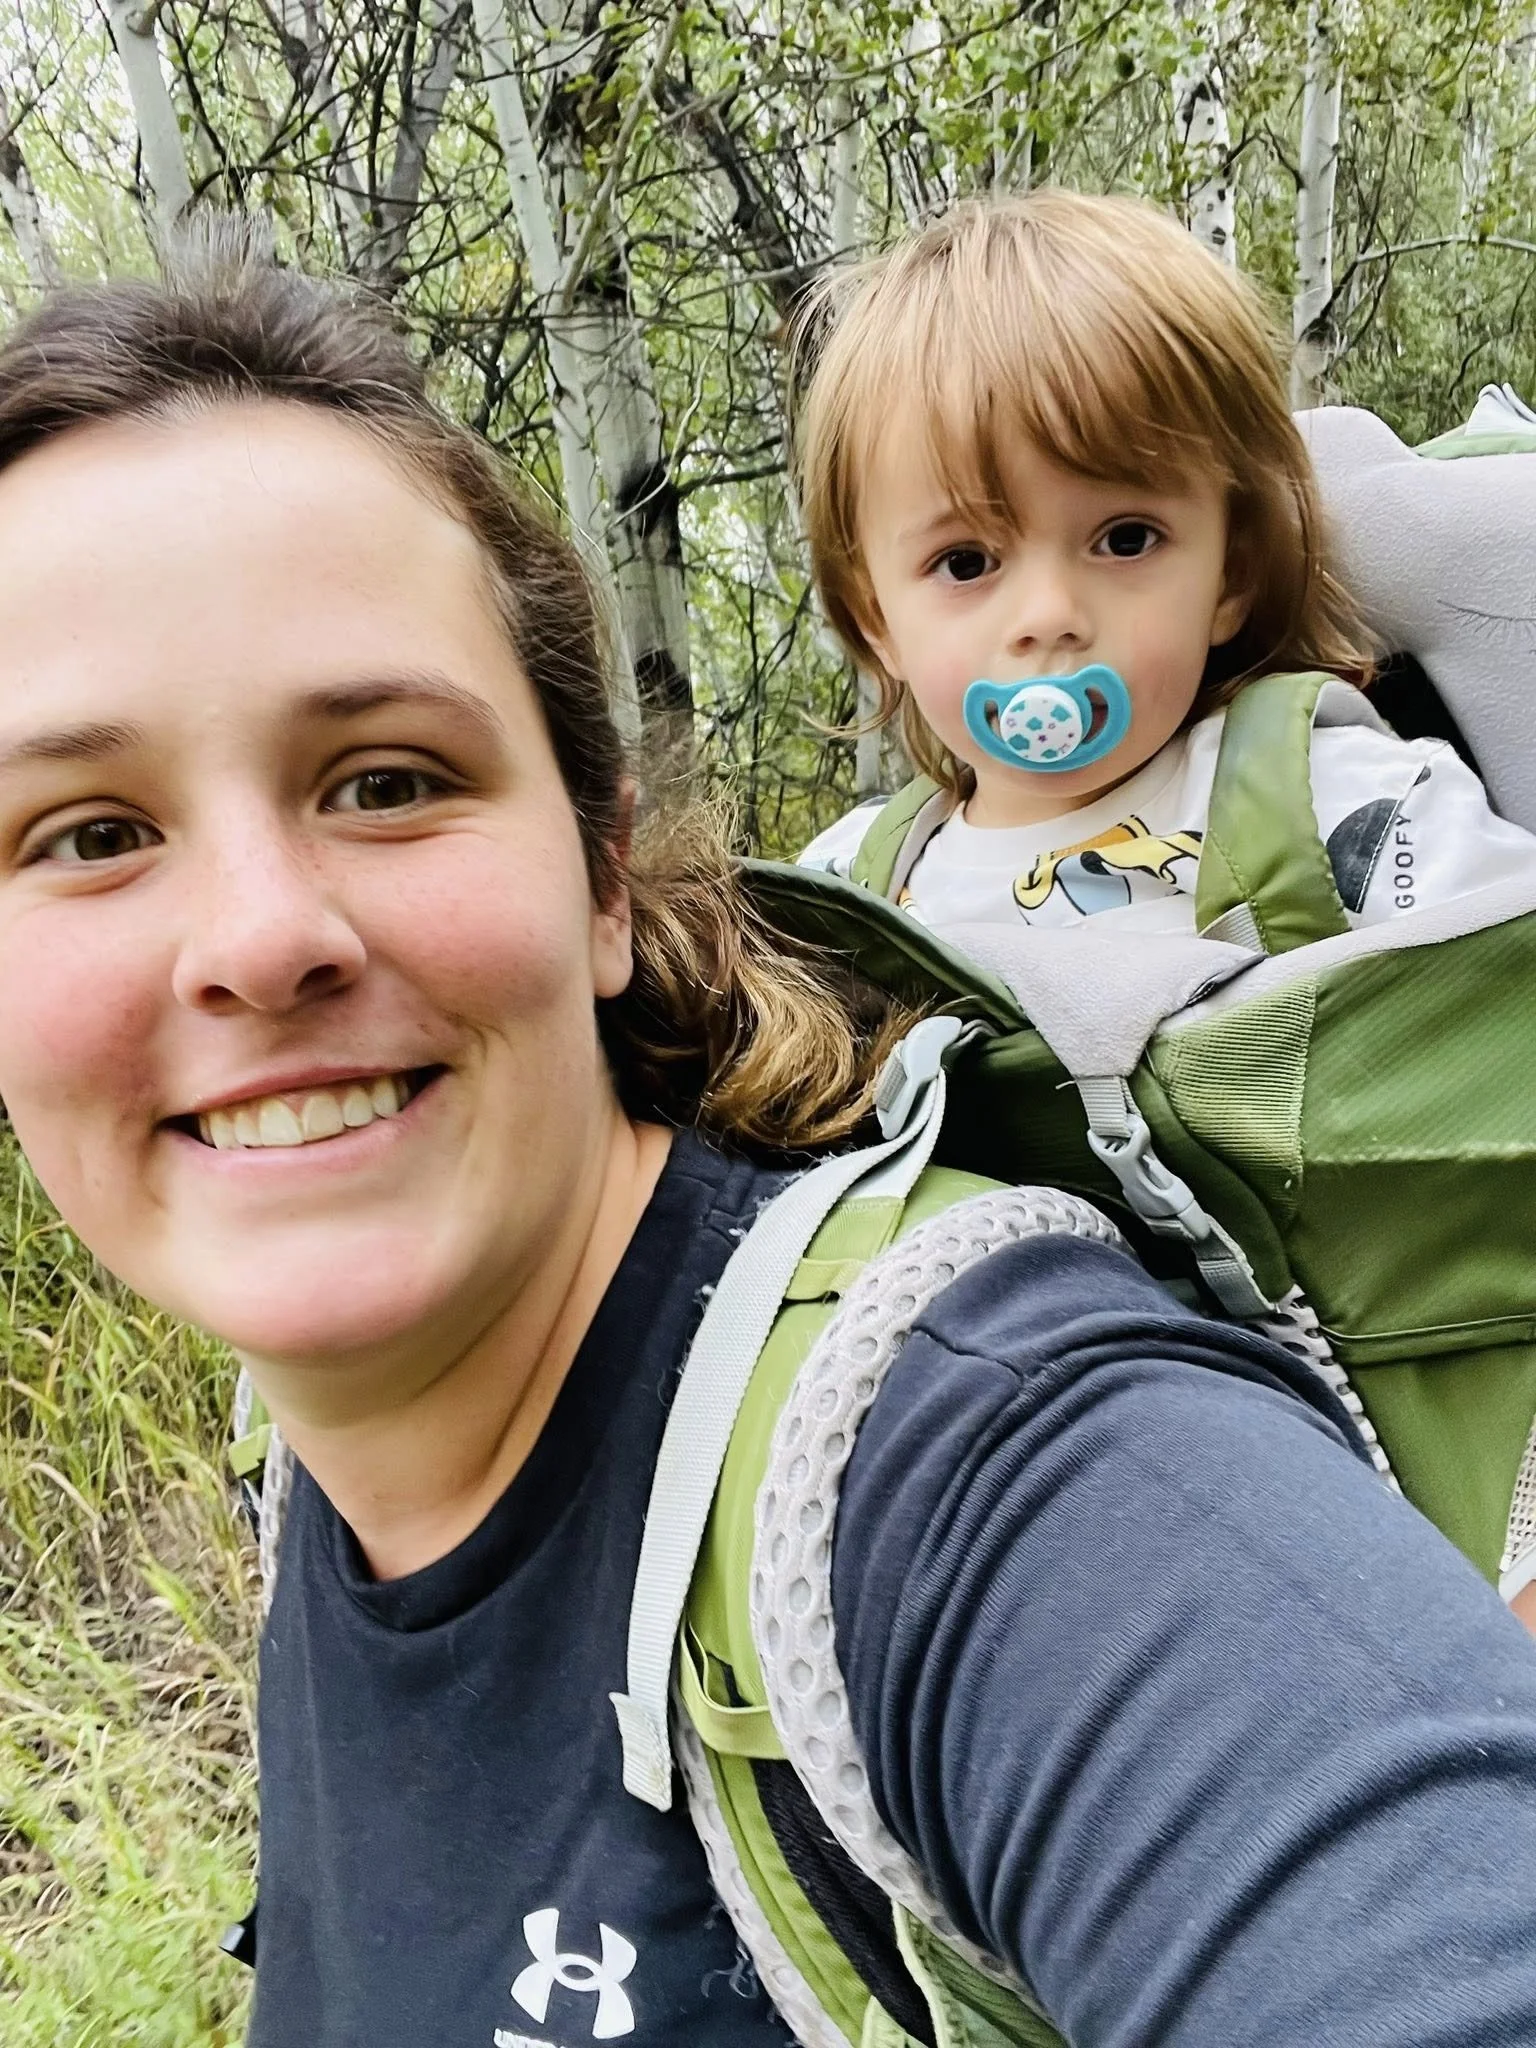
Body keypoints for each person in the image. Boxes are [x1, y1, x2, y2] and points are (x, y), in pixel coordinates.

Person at [2, 221, 1536, 2048]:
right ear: (877, 611)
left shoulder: (975, 1453)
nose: (261, 938)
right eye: (86, 830)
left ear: (600, 868)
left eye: (389, 779)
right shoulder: (312, 1469)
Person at [796, 189, 1536, 930]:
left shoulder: (1337, 808)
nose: (1049, 614)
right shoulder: (846, 888)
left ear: (1231, 576)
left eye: (1125, 540)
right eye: (964, 563)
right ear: (876, 621)